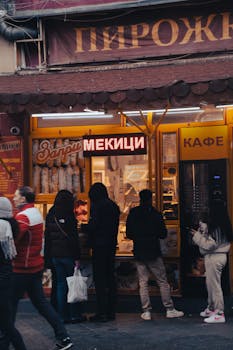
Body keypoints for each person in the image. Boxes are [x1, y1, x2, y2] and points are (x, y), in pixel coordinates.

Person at [11, 186, 73, 350]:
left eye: (16, 196)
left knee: (9, 306)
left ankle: (5, 339)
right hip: (34, 266)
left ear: (24, 199)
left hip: (21, 268)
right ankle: (63, 336)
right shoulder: (36, 213)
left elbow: (14, 240)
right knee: (42, 304)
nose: (14, 198)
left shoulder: (23, 217)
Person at [126, 189, 184, 321]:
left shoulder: (134, 213)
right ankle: (169, 308)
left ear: (139, 198)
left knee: (143, 282)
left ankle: (146, 311)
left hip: (139, 251)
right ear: (150, 198)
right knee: (162, 280)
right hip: (153, 251)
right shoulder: (156, 214)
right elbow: (163, 234)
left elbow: (129, 233)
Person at [44, 190, 86, 324]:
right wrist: (77, 257)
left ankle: (62, 315)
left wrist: (47, 257)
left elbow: (48, 238)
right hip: (68, 255)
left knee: (61, 285)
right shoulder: (69, 215)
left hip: (56, 256)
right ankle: (74, 314)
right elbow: (74, 239)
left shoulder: (51, 214)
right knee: (72, 284)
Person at [83, 182, 120, 322]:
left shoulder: (98, 206)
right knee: (110, 278)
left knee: (100, 280)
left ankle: (101, 312)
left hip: (99, 247)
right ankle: (111, 312)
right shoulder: (113, 206)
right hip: (111, 245)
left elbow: (94, 226)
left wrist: (84, 227)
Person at [191, 201, 233, 323]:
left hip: (214, 257)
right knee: (211, 284)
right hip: (218, 257)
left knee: (214, 286)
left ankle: (219, 313)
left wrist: (197, 236)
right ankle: (212, 308)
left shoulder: (215, 228)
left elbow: (210, 245)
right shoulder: (224, 225)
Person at [0, 196, 27, 350]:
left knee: (6, 323)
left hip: (2, 280)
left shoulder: (2, 228)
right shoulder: (11, 226)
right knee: (5, 322)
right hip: (7, 277)